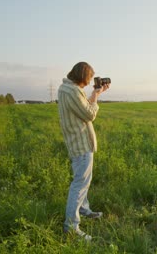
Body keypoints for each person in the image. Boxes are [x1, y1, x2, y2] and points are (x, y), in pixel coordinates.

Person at [58, 61, 109, 241]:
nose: (88, 83)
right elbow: (89, 114)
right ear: (81, 76)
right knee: (80, 184)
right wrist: (96, 97)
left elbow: (81, 108)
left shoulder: (66, 88)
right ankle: (71, 227)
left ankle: (83, 209)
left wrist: (95, 93)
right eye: (87, 79)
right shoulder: (72, 91)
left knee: (83, 181)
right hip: (80, 143)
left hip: (77, 142)